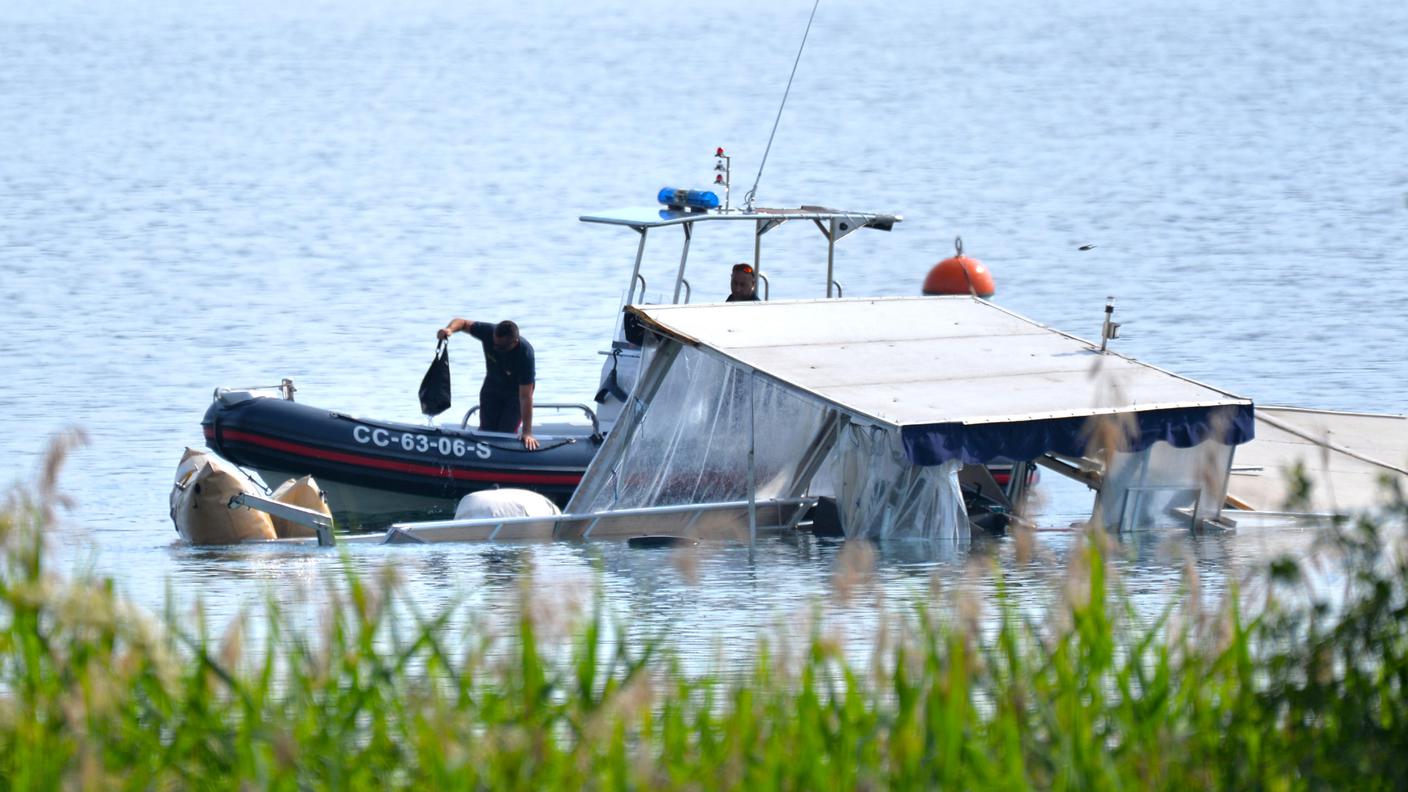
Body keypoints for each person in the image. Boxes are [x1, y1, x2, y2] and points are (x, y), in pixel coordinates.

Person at [437, 318, 539, 450]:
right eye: (494, 344)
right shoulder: (488, 332)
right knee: (486, 430)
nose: (495, 349)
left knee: (504, 433)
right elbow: (462, 323)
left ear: (515, 342)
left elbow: (526, 397)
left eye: (501, 347)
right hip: (492, 387)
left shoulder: (525, 354)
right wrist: (449, 329)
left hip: (515, 393)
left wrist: (527, 432)